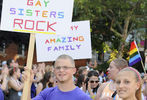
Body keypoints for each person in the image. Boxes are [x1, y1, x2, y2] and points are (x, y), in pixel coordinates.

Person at [23, 54, 92, 100]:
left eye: (65, 67)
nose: (61, 70)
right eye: (58, 68)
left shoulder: (83, 97)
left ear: (74, 70)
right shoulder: (46, 93)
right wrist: (28, 83)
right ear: (54, 70)